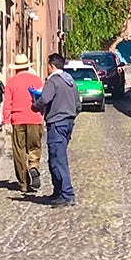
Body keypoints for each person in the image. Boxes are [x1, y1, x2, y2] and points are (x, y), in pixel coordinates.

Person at [33, 52, 82, 205]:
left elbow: (45, 99)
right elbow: (78, 105)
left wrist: (35, 105)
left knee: (58, 159)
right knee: (56, 157)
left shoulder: (53, 81)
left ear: (52, 66)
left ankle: (67, 194)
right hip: (68, 122)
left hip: (57, 122)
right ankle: (58, 191)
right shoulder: (70, 81)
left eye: (48, 65)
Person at [2, 54, 44, 195]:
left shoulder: (11, 82)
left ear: (16, 69)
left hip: (17, 119)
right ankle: (34, 165)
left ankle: (24, 183)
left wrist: (7, 121)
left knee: (19, 151)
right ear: (28, 66)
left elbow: (7, 103)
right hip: (34, 118)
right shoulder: (37, 80)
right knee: (34, 147)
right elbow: (42, 99)